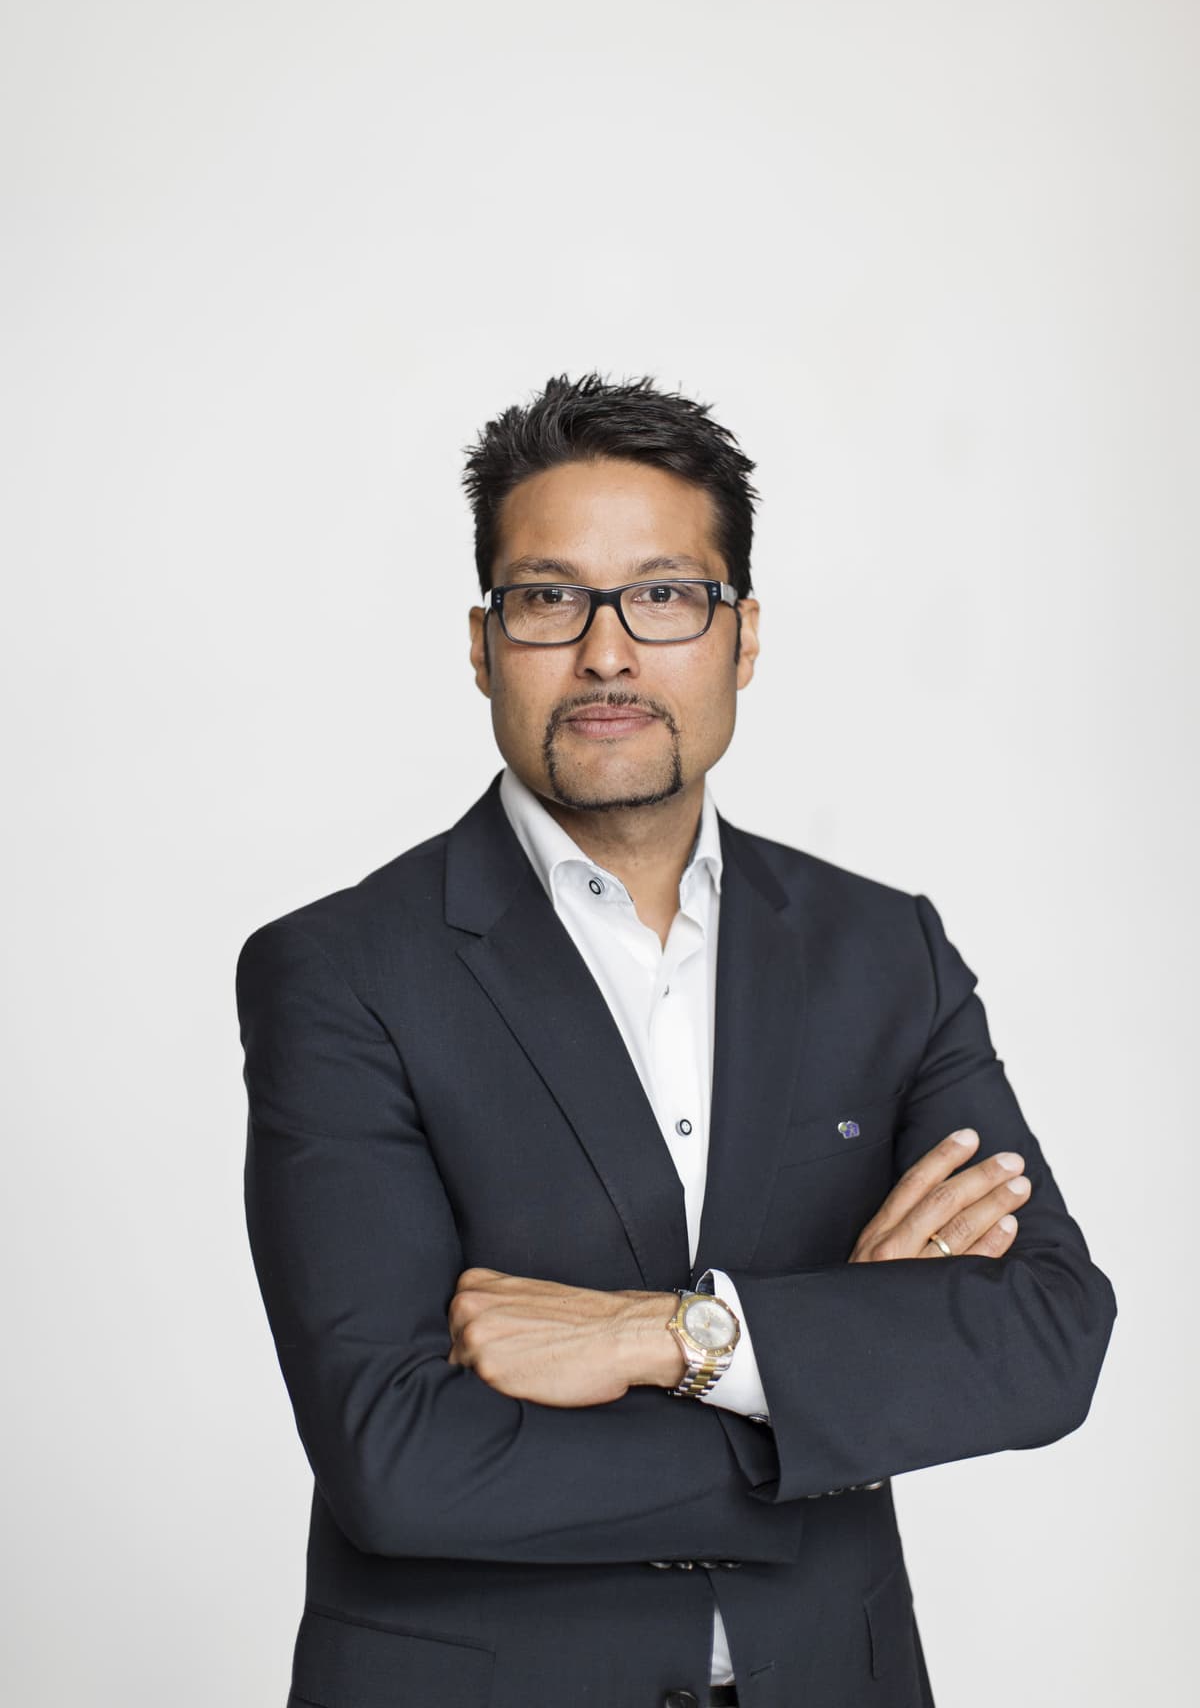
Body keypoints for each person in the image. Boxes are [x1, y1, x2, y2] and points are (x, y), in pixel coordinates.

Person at [235, 372, 1117, 1708]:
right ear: (483, 645)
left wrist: (677, 1338)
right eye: (549, 599)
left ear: (742, 637)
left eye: (663, 594)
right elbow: (399, 1462)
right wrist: (829, 1395)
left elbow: (1048, 1338)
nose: (607, 652)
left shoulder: (885, 952)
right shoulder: (342, 971)